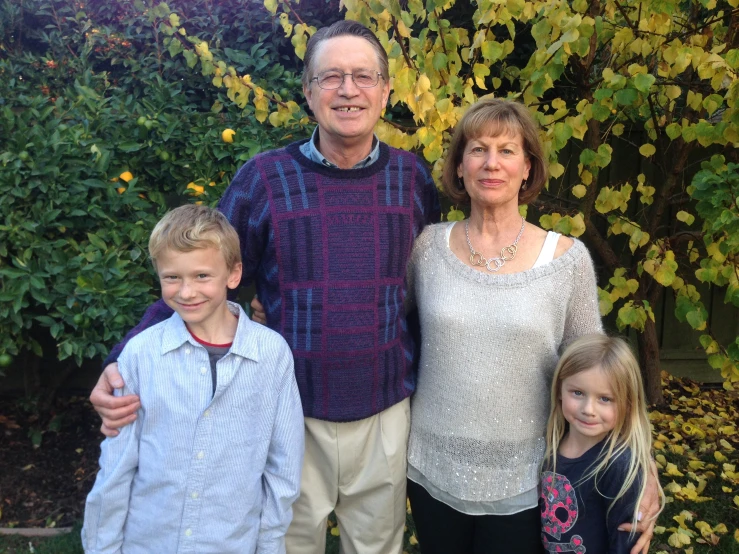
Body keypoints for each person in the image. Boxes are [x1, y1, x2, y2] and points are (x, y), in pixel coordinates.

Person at [88, 20, 440, 554]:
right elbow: (201, 278)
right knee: (286, 543)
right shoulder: (264, 179)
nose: (348, 90)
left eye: (364, 76)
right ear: (307, 92)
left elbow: (423, 295)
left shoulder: (413, 179)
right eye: (331, 77)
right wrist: (121, 362)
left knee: (379, 546)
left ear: (386, 90)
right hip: (284, 410)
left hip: (383, 408)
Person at [403, 97, 659, 554]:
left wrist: (645, 470)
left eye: (507, 150)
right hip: (430, 467)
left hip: (529, 477)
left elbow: (603, 376)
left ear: (528, 168)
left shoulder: (566, 260)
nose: (491, 163)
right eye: (477, 149)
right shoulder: (426, 248)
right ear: (459, 166)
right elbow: (384, 321)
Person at [81, 205, 304, 553]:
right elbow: (115, 470)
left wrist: (269, 545)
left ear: (233, 274)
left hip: (232, 543)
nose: (186, 292)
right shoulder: (140, 355)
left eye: (202, 276)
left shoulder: (272, 355)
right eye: (172, 277)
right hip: (149, 542)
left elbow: (283, 468)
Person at [540, 334, 664, 553]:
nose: (588, 409)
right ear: (559, 390)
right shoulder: (549, 445)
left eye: (605, 399)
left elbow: (626, 543)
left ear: (628, 402)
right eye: (577, 393)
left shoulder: (621, 466)